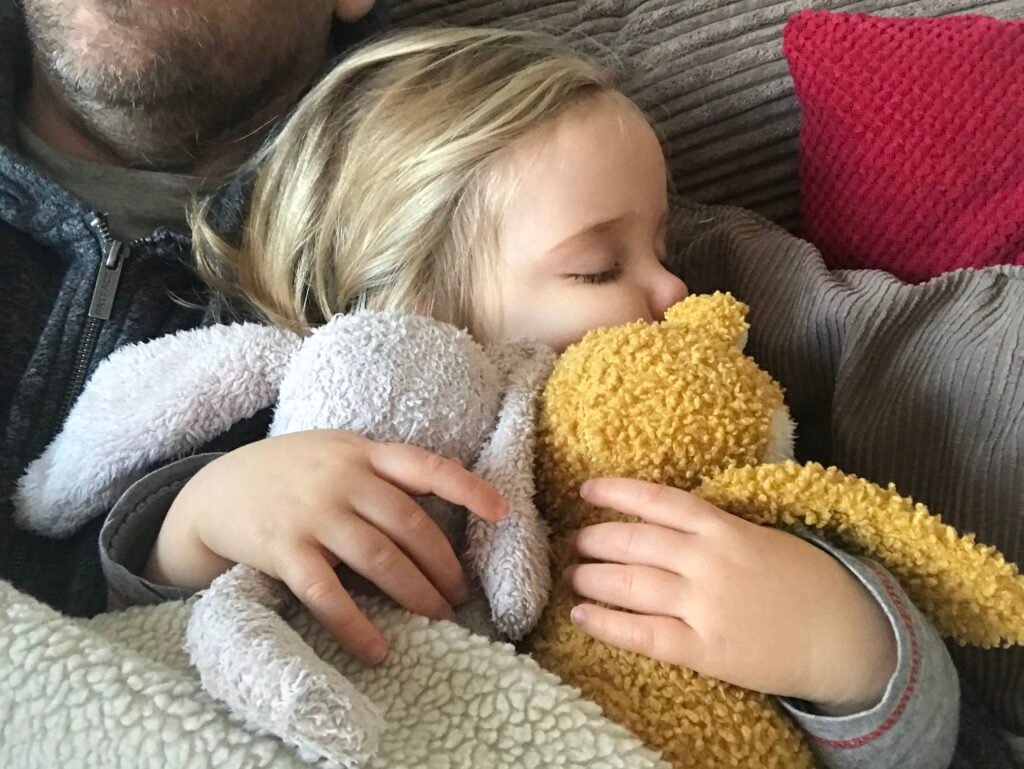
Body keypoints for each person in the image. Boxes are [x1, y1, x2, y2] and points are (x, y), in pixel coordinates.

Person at [109, 27, 952, 769]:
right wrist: (194, 525)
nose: (673, 286)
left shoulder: (692, 452)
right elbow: (135, 669)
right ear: (409, 303)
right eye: (598, 267)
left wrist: (845, 647)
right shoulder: (298, 430)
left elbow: (942, 735)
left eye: (661, 243)